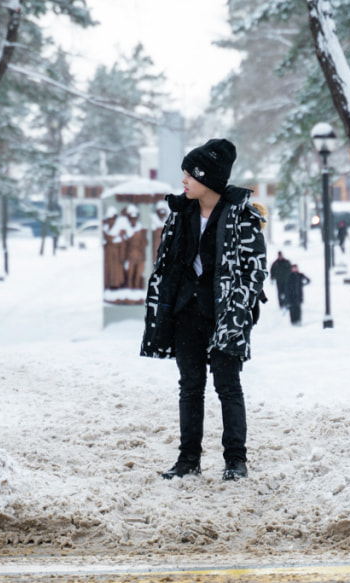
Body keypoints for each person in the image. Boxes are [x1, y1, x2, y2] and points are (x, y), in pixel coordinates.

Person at [141, 139, 266, 482]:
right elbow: (167, 262)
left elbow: (256, 270)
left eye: (189, 175)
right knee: (190, 387)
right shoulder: (181, 213)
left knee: (228, 386)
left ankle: (235, 460)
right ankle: (188, 460)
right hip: (186, 313)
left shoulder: (242, 216)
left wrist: (239, 308)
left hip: (226, 314)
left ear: (207, 179)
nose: (183, 180)